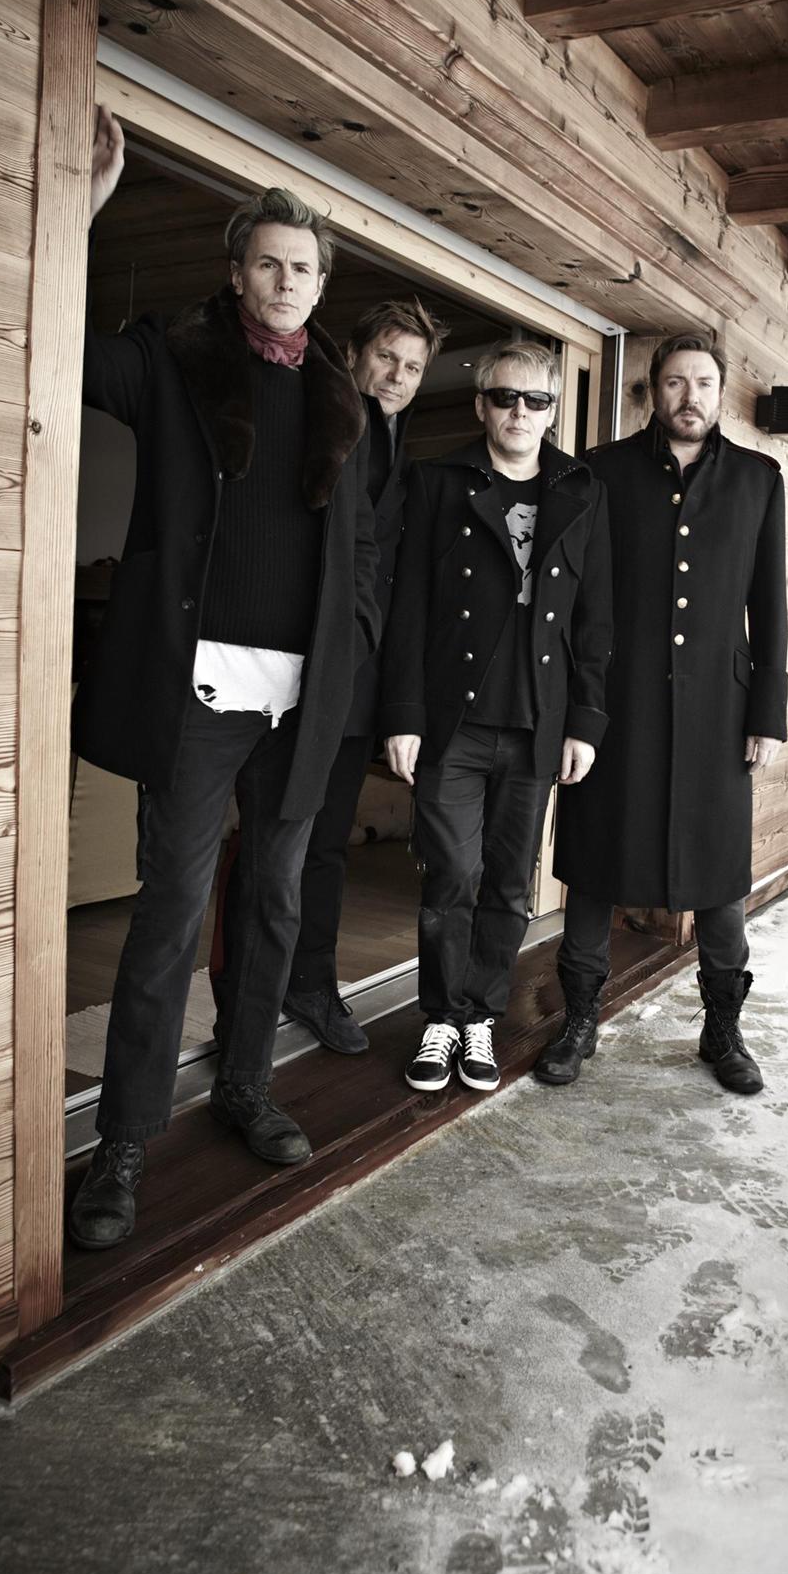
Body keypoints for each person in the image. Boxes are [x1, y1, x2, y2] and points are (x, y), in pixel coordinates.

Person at [68, 106, 379, 1251]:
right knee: (169, 912)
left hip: (300, 704)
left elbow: (360, 555)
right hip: (197, 696)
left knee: (274, 903)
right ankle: (124, 1140)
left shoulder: (344, 393)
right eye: (269, 263)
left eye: (305, 268)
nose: (287, 281)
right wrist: (79, 213)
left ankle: (246, 1082)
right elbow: (65, 352)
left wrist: (354, 658)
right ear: (238, 272)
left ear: (319, 284)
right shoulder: (173, 359)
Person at [541, 332, 787, 1091]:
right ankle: (580, 1020)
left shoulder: (758, 479)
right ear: (654, 390)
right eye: (676, 382)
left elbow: (769, 604)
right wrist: (578, 706)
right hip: (616, 702)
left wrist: (768, 712)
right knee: (595, 858)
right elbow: (580, 596)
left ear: (721, 391)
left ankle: (724, 1030)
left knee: (719, 871)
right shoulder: (603, 471)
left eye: (704, 383)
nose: (690, 396)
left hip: (721, 708)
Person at [215, 298, 448, 1053]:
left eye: (413, 367)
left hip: (354, 683)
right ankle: (245, 994)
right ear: (353, 354)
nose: (398, 376)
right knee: (268, 841)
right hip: (292, 671)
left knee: (321, 844)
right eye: (387, 358)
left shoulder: (404, 455)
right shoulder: (322, 426)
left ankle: (307, 981)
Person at [381, 340, 613, 1093]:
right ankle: (441, 1018)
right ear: (482, 405)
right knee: (451, 873)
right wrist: (403, 714)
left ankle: (480, 1015)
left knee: (510, 882)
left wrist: (586, 721)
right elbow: (407, 605)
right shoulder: (437, 481)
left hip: (538, 723)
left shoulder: (582, 490)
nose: (519, 412)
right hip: (453, 722)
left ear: (551, 411)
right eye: (504, 397)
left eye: (535, 400)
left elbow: (595, 620)